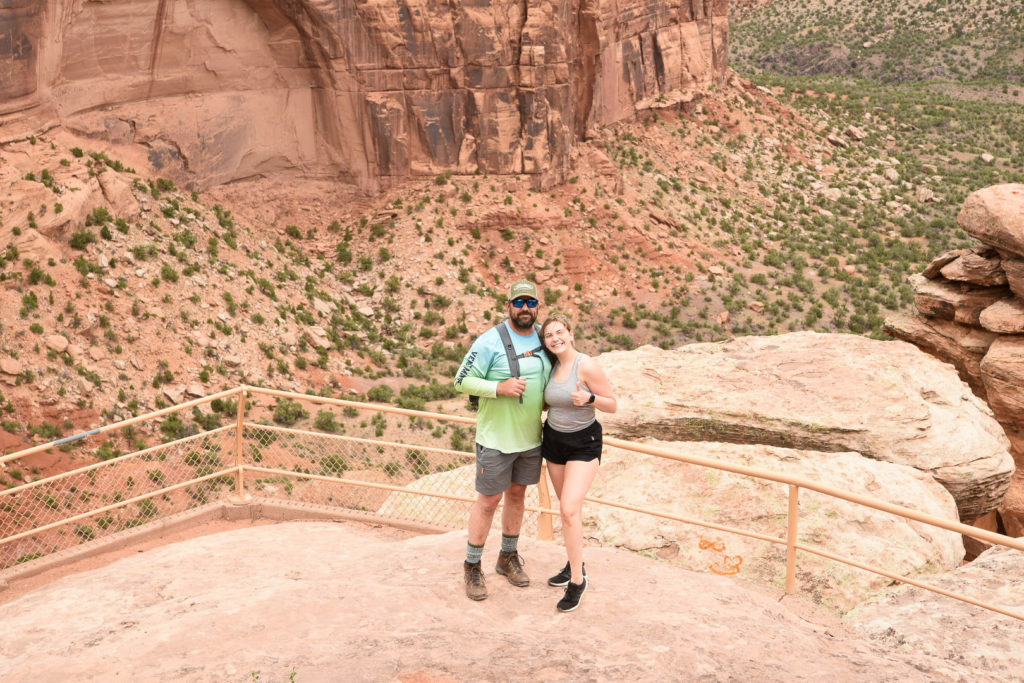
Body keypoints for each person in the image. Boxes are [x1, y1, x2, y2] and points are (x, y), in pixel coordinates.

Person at [454, 280, 552, 601]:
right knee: (487, 502)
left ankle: (507, 557)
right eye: (519, 302)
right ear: (508, 305)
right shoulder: (489, 341)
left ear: (538, 307)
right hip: (495, 439)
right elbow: (461, 380)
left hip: (529, 439)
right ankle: (472, 565)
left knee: (517, 496)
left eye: (531, 303)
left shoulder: (543, 339)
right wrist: (499, 388)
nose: (525, 308)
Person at [539, 314, 617, 612]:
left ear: (571, 335)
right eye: (549, 335)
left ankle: (577, 581)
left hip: (584, 442)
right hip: (554, 441)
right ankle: (575, 563)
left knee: (569, 509)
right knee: (566, 509)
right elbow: (549, 401)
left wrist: (590, 398)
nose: (555, 338)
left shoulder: (586, 365)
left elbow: (612, 403)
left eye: (560, 332)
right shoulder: (552, 366)